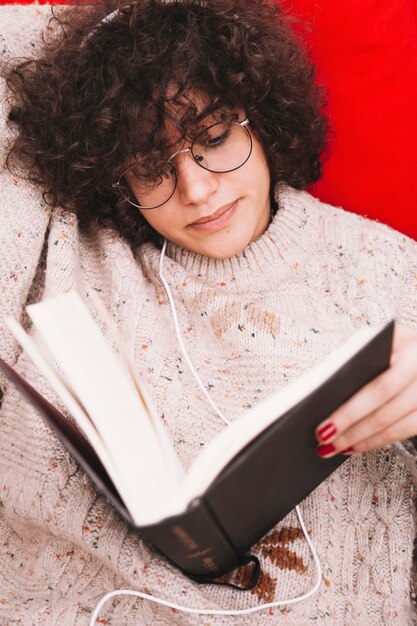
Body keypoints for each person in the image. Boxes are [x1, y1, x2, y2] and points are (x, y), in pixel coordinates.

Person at [0, 0, 416, 624]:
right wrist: (117, 31)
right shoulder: (57, 247)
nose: (197, 190)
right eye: (147, 166)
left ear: (263, 121)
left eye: (215, 138)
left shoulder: (388, 267)